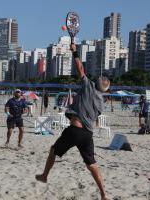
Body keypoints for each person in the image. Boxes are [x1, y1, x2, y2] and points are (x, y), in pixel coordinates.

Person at [35, 43, 109, 200]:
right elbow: (95, 120)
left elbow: (80, 69)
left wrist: (75, 51)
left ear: (95, 83)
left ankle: (44, 176)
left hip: (75, 130)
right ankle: (103, 193)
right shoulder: (102, 101)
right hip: (88, 134)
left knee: (53, 150)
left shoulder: (88, 86)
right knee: (92, 164)